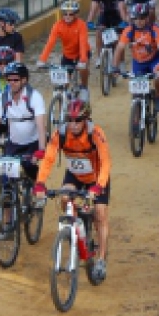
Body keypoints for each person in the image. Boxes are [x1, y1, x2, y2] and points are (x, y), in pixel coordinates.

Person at [34, 99, 111, 280]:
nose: (73, 124)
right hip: (75, 175)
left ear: (86, 119)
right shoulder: (60, 134)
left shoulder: (96, 133)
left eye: (78, 120)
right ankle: (75, 225)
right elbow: (48, 158)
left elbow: (106, 162)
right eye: (70, 119)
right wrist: (40, 183)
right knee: (64, 197)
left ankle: (100, 258)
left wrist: (98, 187)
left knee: (100, 213)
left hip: (97, 178)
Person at [0, 61, 47, 178]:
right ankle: (7, 194)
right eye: (9, 80)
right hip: (14, 142)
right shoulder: (2, 98)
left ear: (24, 80)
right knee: (3, 171)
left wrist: (41, 149)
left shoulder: (35, 97)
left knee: (29, 166)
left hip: (33, 142)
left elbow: (41, 127)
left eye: (15, 80)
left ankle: (35, 187)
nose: (11, 83)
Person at [113, 3, 159, 112]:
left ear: (147, 18)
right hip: (138, 63)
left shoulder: (155, 30)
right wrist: (115, 67)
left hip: (154, 60)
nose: (139, 21)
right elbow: (119, 49)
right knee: (136, 95)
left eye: (142, 18)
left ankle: (158, 96)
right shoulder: (129, 31)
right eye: (136, 18)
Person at [37, 0, 91, 101]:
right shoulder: (57, 25)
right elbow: (50, 43)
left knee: (83, 69)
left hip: (81, 53)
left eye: (71, 14)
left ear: (75, 15)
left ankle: (84, 87)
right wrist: (42, 59)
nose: (67, 16)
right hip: (68, 55)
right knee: (63, 84)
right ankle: (63, 108)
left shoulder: (81, 25)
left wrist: (83, 60)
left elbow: (83, 43)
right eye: (65, 14)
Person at [86, 0, 128, 69]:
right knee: (98, 32)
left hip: (116, 16)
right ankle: (99, 57)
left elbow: (121, 8)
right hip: (104, 16)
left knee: (120, 39)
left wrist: (124, 21)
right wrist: (89, 21)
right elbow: (93, 9)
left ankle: (121, 62)